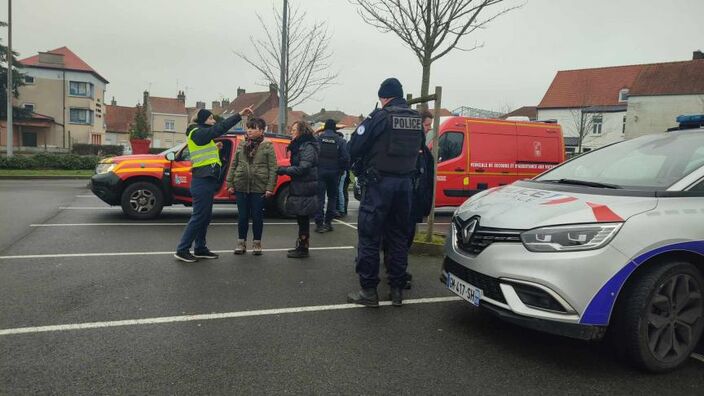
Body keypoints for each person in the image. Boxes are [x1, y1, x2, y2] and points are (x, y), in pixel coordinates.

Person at [346, 78, 425, 307]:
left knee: (370, 237)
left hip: (380, 185)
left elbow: (354, 147)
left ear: (384, 97)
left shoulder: (380, 117)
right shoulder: (415, 119)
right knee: (399, 237)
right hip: (406, 186)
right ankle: (397, 290)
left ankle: (369, 292)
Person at [174, 106, 253, 262]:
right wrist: (239, 115)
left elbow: (204, 153)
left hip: (206, 180)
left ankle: (200, 248)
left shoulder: (202, 136)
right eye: (211, 118)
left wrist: (215, 148)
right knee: (199, 216)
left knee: (205, 217)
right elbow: (219, 129)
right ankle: (182, 249)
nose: (213, 121)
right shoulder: (196, 132)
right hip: (201, 181)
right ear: (203, 120)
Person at [382, 110, 435, 289]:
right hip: (408, 204)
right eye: (427, 125)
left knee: (400, 239)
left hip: (411, 204)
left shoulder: (424, 151)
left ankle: (393, 268)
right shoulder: (414, 151)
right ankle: (397, 274)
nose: (429, 129)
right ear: (418, 124)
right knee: (402, 240)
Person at [226, 117, 277, 256]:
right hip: (241, 185)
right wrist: (229, 183)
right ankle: (241, 243)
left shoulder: (268, 146)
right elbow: (234, 164)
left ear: (261, 130)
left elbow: (273, 168)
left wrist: (269, 187)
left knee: (257, 216)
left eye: (253, 128)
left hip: (259, 187)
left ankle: (257, 243)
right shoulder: (242, 144)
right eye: (248, 127)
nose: (249, 130)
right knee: (242, 216)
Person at [277, 121, 319, 258]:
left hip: (305, 186)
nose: (292, 132)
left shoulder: (307, 147)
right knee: (301, 218)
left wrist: (284, 170)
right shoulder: (300, 145)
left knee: (303, 218)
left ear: (301, 131)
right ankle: (301, 245)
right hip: (301, 185)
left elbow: (303, 167)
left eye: (294, 129)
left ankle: (303, 248)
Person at [314, 119, 349, 233]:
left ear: (325, 128)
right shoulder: (340, 140)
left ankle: (319, 223)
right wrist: (341, 169)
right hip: (334, 173)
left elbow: (313, 154)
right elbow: (345, 157)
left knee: (320, 198)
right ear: (334, 128)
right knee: (332, 198)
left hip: (320, 171)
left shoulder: (318, 139)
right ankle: (328, 222)